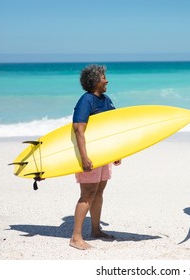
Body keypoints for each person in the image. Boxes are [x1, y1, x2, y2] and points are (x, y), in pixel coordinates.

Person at [70, 65, 121, 250]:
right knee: (87, 194)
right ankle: (76, 237)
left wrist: (117, 152)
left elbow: (112, 127)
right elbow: (78, 129)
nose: (106, 80)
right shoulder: (86, 100)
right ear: (95, 81)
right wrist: (84, 158)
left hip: (104, 154)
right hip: (89, 154)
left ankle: (95, 230)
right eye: (103, 77)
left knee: (99, 192)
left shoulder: (106, 100)